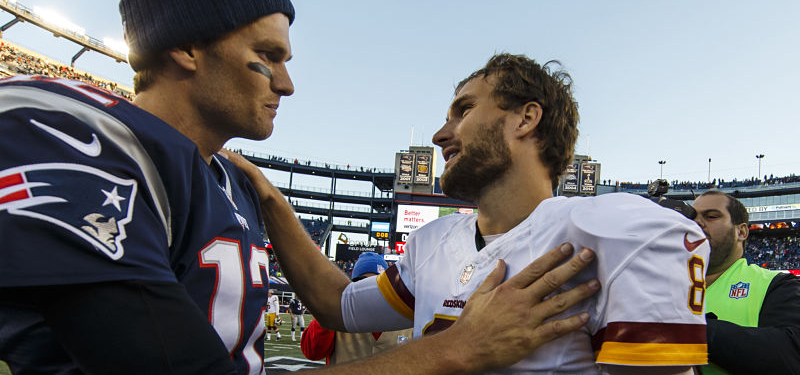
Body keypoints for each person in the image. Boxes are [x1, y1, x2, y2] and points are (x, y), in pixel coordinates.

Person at [0, 0, 600, 374]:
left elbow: (332, 308)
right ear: (185, 46)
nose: (285, 84)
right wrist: (459, 348)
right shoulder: (67, 129)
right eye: (270, 55)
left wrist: (273, 202)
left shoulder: (229, 182)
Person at [234, 53, 710, 374]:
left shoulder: (621, 233)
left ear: (525, 118)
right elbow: (340, 306)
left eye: (463, 110)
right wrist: (271, 201)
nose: (442, 134)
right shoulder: (431, 243)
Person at [691, 191, 800, 374]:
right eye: (691, 217)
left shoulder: (778, 285)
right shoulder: (665, 286)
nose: (697, 223)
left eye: (711, 216)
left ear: (741, 231)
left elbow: (790, 356)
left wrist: (688, 328)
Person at [301, 252, 412, 364]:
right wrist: (328, 310)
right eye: (363, 282)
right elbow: (312, 352)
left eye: (376, 282)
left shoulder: (405, 316)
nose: (370, 289)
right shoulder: (338, 313)